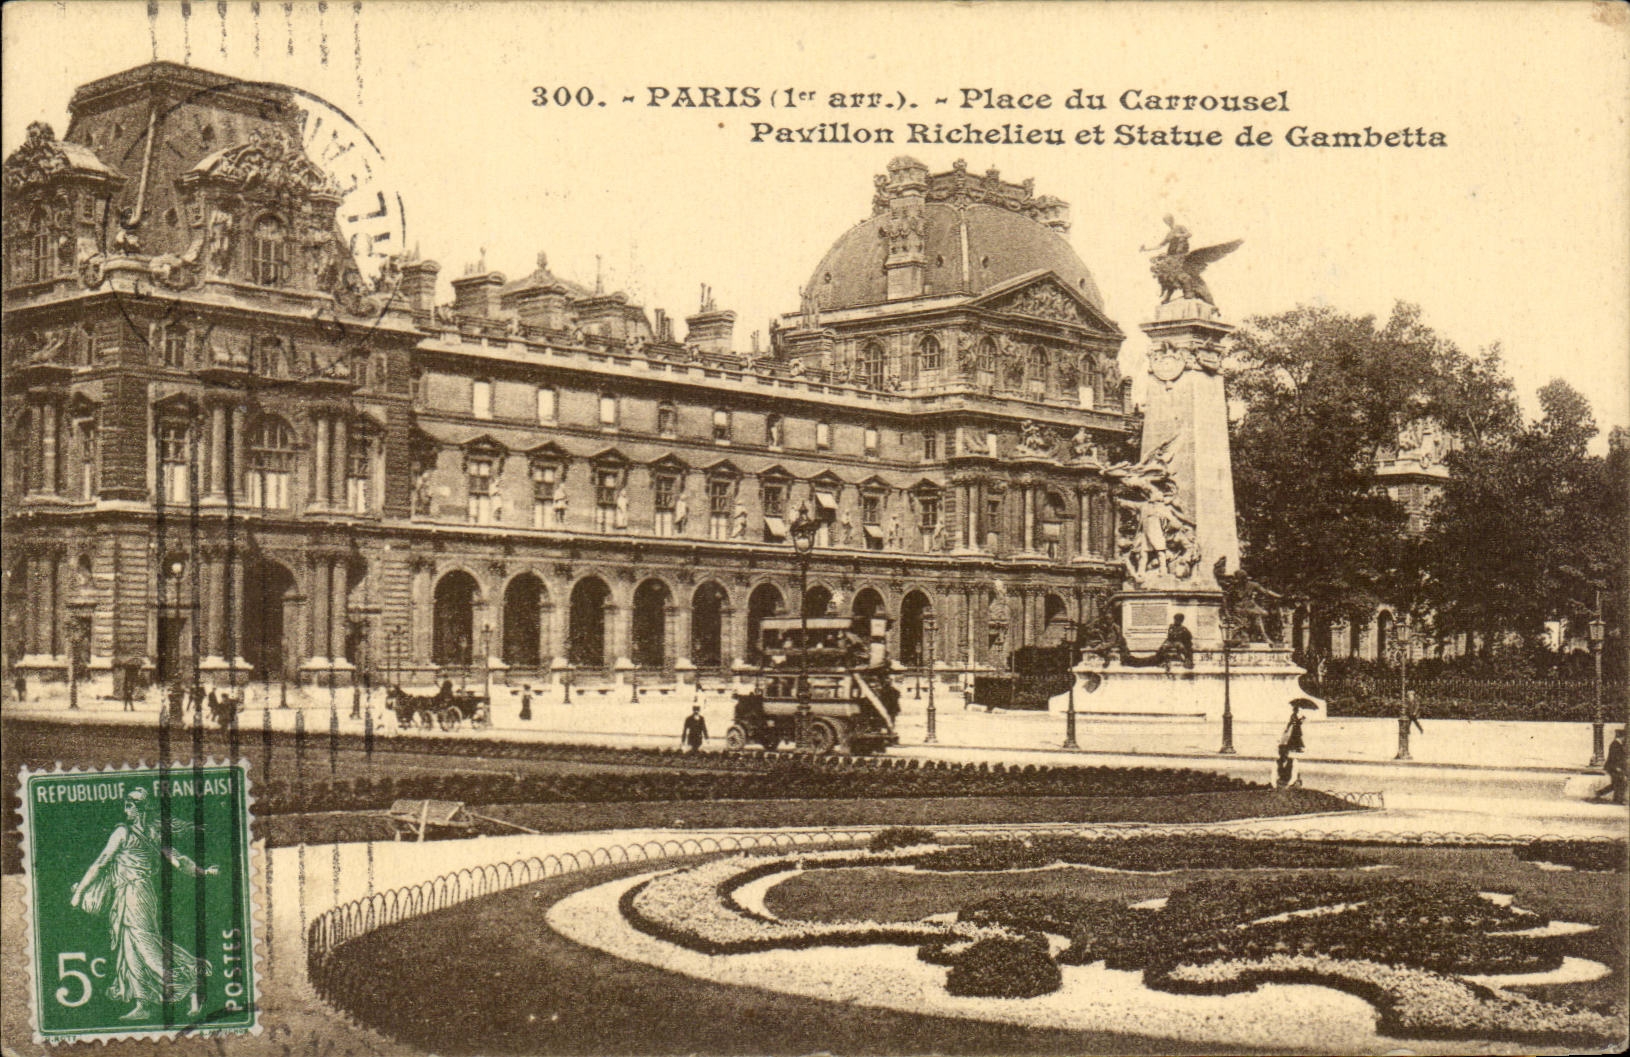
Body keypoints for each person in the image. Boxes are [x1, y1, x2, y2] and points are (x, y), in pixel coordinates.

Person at [69, 788, 218, 1020]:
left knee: (146, 946)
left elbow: (100, 863)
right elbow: (178, 861)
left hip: (135, 894)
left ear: (138, 809)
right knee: (130, 948)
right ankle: (143, 1004)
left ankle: (190, 980)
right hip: (130, 894)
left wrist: (79, 892)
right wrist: (203, 871)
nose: (125, 810)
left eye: (128, 806)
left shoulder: (123, 832)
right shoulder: (152, 833)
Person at [1595, 728, 1625, 805]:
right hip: (1613, 767)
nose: (1624, 739)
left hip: (1613, 767)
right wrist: (1617, 767)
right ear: (1621, 737)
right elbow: (1614, 757)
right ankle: (1617, 800)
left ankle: (1600, 793)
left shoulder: (1617, 744)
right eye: (1624, 737)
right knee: (1618, 782)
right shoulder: (1615, 744)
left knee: (1616, 783)